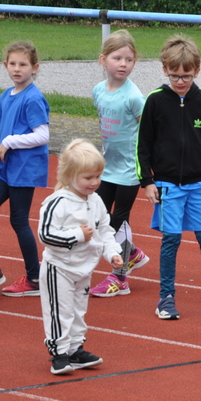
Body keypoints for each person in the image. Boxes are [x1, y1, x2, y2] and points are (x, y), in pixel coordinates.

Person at [137, 34, 201, 320]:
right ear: (164, 71)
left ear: (197, 70)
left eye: (186, 75)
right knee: (171, 241)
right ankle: (166, 298)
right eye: (174, 76)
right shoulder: (155, 102)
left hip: (198, 185)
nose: (180, 81)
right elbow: (142, 145)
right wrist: (146, 181)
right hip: (168, 185)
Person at [38, 139, 123, 374]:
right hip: (60, 267)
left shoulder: (96, 201)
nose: (94, 182)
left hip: (83, 268)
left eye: (98, 176)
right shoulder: (58, 202)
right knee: (60, 311)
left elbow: (105, 230)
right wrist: (76, 235)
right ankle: (59, 353)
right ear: (69, 174)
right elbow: (45, 234)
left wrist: (112, 252)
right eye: (88, 177)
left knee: (78, 311)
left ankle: (76, 349)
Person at [0, 41, 50, 297]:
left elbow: (42, 134)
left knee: (18, 220)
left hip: (24, 168)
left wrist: (9, 142)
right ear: (5, 65)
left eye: (23, 64)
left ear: (35, 68)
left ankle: (34, 278)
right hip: (3, 166)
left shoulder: (33, 98)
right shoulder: (5, 95)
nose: (17, 69)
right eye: (13, 64)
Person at [88, 30, 150, 298]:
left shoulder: (135, 97)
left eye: (129, 59)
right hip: (108, 167)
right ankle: (132, 253)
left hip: (129, 170)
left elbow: (148, 133)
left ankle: (120, 277)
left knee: (114, 224)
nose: (123, 64)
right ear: (103, 60)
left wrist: (146, 170)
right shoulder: (98, 91)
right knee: (99, 217)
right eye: (117, 58)